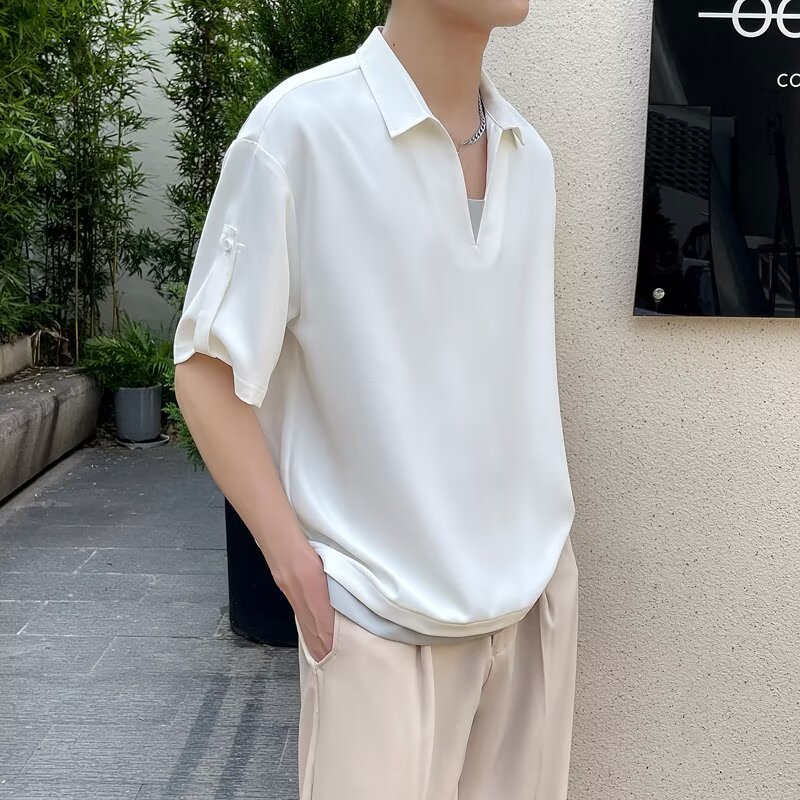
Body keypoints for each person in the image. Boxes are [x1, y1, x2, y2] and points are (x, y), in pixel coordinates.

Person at [173, 1, 579, 798]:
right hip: (377, 620)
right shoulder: (300, 132)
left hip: (531, 611)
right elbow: (207, 368)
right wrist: (295, 567)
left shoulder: (528, 156)